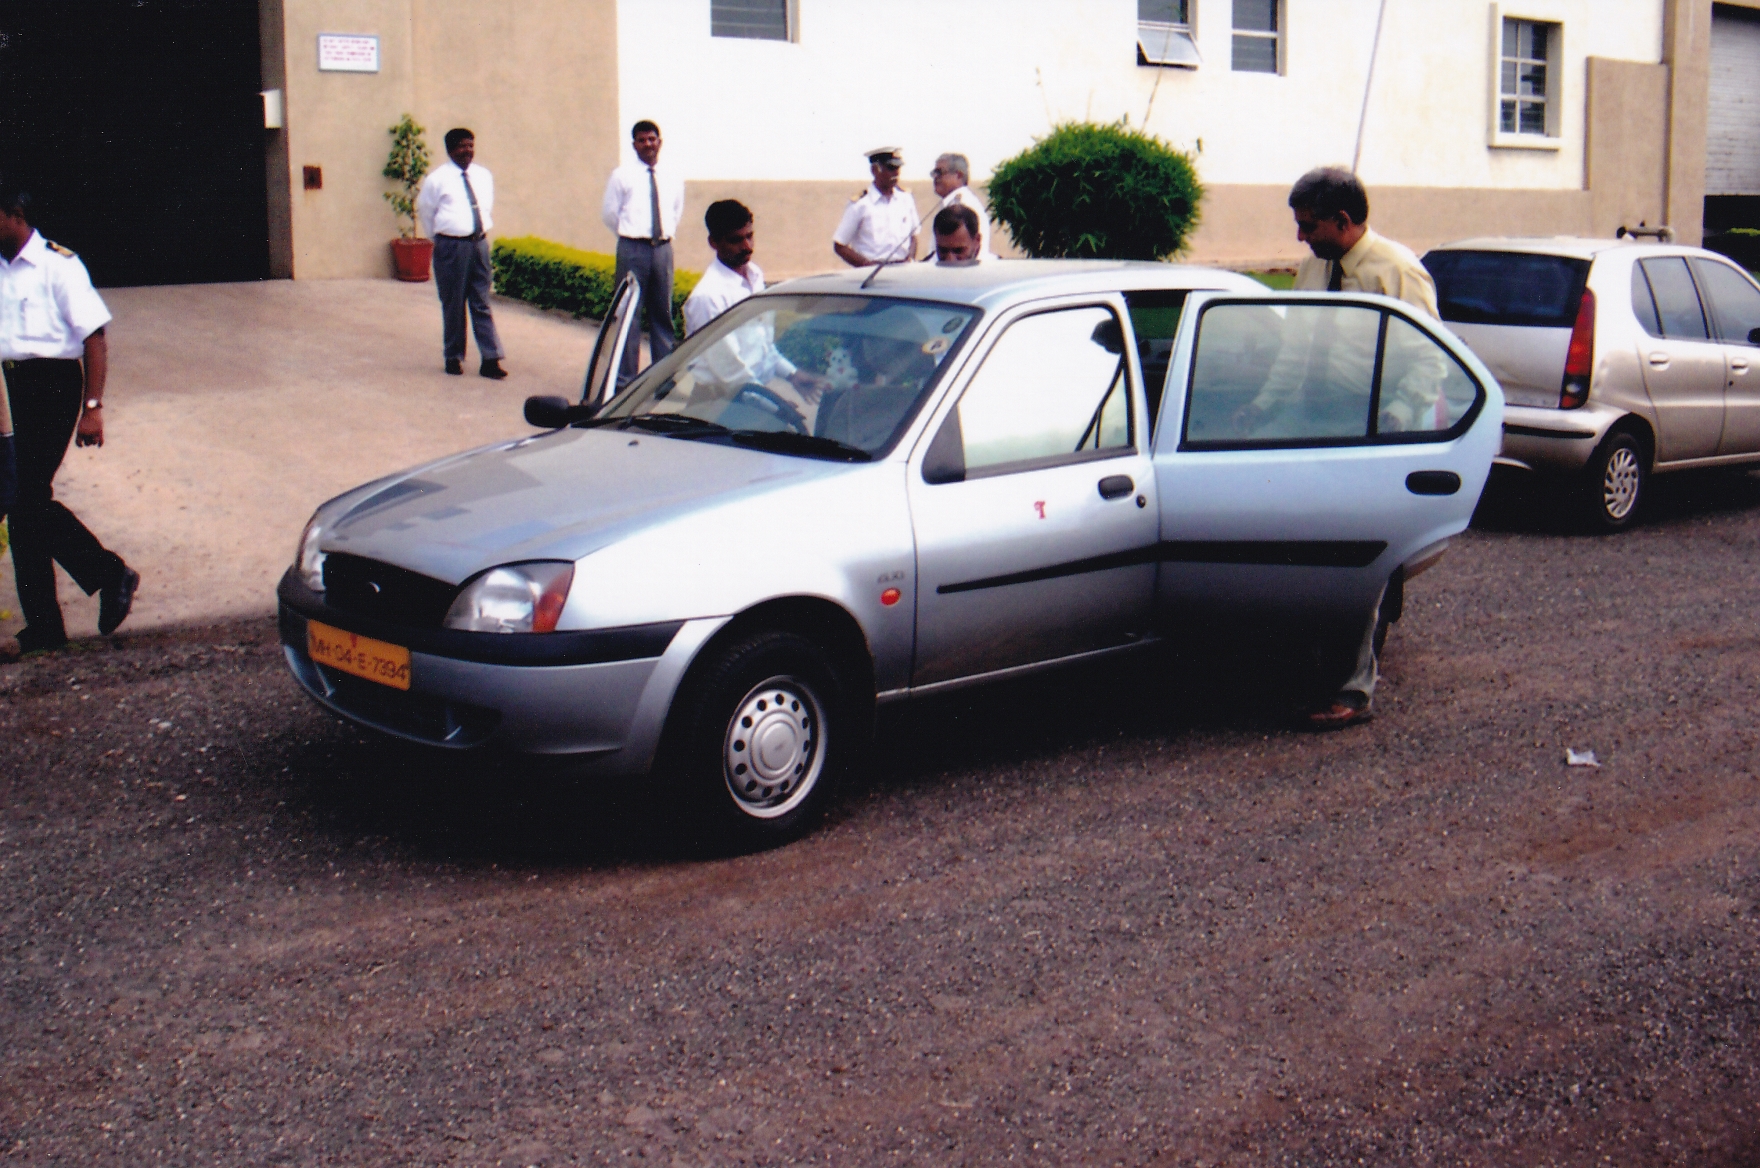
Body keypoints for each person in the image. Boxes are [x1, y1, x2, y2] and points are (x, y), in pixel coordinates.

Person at [1261, 166, 1441, 731]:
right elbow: (1293, 348)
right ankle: (1299, 669)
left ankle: (1352, 688)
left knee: (1356, 562)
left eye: (1309, 226)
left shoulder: (1397, 272)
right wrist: (1263, 406)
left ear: (1342, 220)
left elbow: (1430, 358)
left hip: (1371, 434)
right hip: (1311, 426)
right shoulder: (1315, 268)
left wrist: (1398, 416)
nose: (1300, 237)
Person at [0, 181, 138, 661]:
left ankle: (106, 574)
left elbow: (94, 338)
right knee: (22, 504)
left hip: (51, 387)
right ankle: (50, 623)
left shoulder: (59, 265)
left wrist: (92, 408)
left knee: (24, 497)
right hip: (7, 389)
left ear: (15, 215)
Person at [417, 128, 506, 378]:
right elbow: (426, 212)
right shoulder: (437, 179)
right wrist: (441, 238)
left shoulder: (483, 175)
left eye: (470, 146)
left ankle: (491, 359)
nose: (467, 151)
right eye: (462, 146)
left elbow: (486, 206)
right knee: (454, 303)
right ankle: (453, 356)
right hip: (451, 246)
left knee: (481, 301)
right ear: (450, 150)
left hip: (479, 244)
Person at [601, 119, 685, 383]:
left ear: (659, 142)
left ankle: (663, 379)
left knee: (663, 314)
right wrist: (630, 235)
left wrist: (661, 237)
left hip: (662, 249)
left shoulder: (672, 175)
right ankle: (626, 381)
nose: (648, 144)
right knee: (629, 315)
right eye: (642, 140)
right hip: (632, 248)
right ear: (634, 145)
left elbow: (675, 210)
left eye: (652, 139)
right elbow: (610, 213)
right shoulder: (622, 176)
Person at [682, 199, 763, 336]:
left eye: (749, 236)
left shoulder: (755, 275)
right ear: (713, 242)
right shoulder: (708, 298)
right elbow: (717, 349)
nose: (747, 246)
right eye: (736, 240)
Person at [832, 148, 920, 267]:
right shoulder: (861, 204)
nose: (896, 173)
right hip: (873, 270)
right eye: (890, 168)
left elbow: (914, 235)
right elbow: (840, 245)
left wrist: (911, 258)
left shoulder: (906, 199)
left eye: (898, 168)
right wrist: (866, 265)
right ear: (875, 170)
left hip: (903, 269)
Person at [929, 153, 994, 259]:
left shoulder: (962, 204)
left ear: (958, 175)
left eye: (940, 172)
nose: (935, 177)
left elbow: (952, 251)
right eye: (934, 173)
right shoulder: (952, 202)